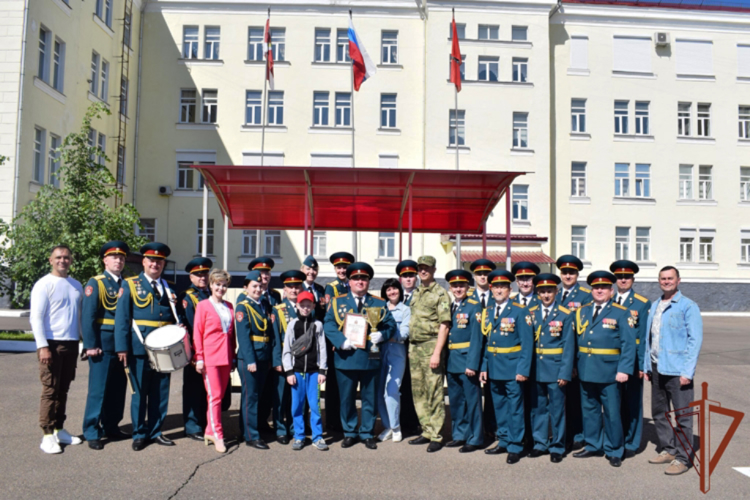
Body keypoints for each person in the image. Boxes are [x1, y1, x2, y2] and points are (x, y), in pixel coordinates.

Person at [115, 242, 182, 451]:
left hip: (163, 351)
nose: (156, 264)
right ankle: (139, 433)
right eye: (152, 260)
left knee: (160, 393)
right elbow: (122, 319)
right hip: (139, 349)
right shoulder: (130, 284)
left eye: (160, 261)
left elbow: (170, 317)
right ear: (144, 262)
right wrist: (122, 348)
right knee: (139, 393)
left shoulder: (169, 287)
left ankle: (156, 431)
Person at [323, 262, 397, 450]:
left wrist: (382, 335)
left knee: (369, 398)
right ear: (349, 281)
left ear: (368, 281)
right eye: (356, 278)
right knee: (346, 398)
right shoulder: (337, 301)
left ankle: (366, 432)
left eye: (363, 278)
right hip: (346, 357)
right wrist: (341, 341)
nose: (360, 281)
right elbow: (329, 324)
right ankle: (349, 432)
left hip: (370, 357)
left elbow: (390, 325)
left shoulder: (379, 303)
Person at [572, 271, 636, 468]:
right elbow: (574, 342)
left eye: (604, 288)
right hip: (586, 369)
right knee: (589, 410)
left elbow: (628, 344)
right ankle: (593, 445)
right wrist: (574, 366)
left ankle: (614, 449)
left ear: (611, 290)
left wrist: (624, 369)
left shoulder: (621, 312)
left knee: (611, 412)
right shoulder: (582, 311)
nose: (599, 290)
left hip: (610, 371)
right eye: (596, 287)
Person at [643, 266, 702, 476]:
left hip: (678, 371)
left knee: (682, 416)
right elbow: (649, 340)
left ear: (678, 281)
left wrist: (688, 372)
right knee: (660, 413)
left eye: (670, 278)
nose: (666, 281)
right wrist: (647, 366)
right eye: (663, 278)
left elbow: (695, 340)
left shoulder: (688, 306)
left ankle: (683, 457)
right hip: (657, 367)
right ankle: (668, 449)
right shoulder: (656, 305)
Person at [31, 244, 84, 454]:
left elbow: (78, 318)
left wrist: (82, 342)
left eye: (66, 257)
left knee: (64, 389)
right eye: (58, 257)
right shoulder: (44, 284)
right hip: (51, 344)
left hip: (70, 343)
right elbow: (36, 317)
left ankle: (59, 429)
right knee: (50, 390)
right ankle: (46, 434)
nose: (63, 260)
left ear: (71, 260)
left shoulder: (76, 285)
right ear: (50, 260)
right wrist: (42, 346)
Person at [480, 269, 532, 464]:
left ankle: (515, 445)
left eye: (503, 287)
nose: (499, 290)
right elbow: (487, 341)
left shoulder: (520, 311)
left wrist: (523, 370)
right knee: (499, 406)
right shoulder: (488, 311)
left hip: (512, 368)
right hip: (494, 367)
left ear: (510, 289)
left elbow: (527, 344)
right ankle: (502, 440)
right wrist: (484, 366)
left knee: (515, 408)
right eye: (496, 287)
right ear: (491, 289)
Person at [81, 241, 130, 450]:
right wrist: (90, 344)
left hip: (123, 345)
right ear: (105, 260)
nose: (118, 261)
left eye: (121, 258)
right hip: (102, 344)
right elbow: (88, 316)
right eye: (114, 257)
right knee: (98, 390)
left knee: (118, 389)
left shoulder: (127, 284)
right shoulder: (97, 283)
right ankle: (92, 431)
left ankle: (111, 426)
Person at [527, 273, 574, 463]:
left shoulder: (565, 314)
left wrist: (565, 372)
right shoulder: (529, 312)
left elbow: (569, 346)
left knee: (557, 409)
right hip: (535, 368)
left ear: (556, 291)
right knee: (537, 408)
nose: (546, 295)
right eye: (542, 291)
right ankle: (540, 443)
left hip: (555, 369)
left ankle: (557, 446)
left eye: (550, 291)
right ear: (537, 293)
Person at [408, 255, 451, 453]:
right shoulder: (416, 293)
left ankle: (437, 434)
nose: (423, 271)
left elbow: (444, 325)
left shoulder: (440, 293)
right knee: (419, 391)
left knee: (434, 391)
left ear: (434, 270)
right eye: (420, 268)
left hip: (430, 346)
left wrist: (436, 353)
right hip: (414, 347)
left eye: (427, 268)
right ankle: (426, 430)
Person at [609, 260, 651, 459]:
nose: (623, 280)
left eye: (626, 277)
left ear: (633, 279)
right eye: (619, 277)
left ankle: (631, 442)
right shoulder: (609, 300)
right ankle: (615, 438)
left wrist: (642, 364)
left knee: (632, 402)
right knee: (614, 402)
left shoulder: (641, 303)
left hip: (633, 360)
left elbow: (643, 337)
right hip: (610, 360)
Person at [193, 269, 236, 453]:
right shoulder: (203, 305)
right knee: (215, 396)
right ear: (211, 285)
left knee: (218, 396)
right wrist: (199, 358)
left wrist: (233, 355)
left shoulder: (229, 306)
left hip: (226, 357)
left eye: (224, 285)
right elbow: (198, 333)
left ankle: (210, 431)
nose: (221, 288)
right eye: (218, 284)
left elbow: (231, 334)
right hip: (210, 358)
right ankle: (218, 434)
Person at [235, 271, 277, 450]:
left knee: (259, 395)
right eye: (254, 286)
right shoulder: (243, 307)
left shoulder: (264, 304)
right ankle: (251, 436)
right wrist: (250, 360)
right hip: (249, 358)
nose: (258, 289)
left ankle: (252, 427)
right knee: (250, 397)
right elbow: (244, 336)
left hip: (263, 357)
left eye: (260, 286)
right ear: (246, 288)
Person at [444, 270, 485, 453]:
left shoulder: (474, 306)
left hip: (467, 361)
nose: (458, 289)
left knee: (473, 402)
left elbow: (477, 338)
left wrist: (472, 364)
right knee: (456, 401)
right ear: (450, 288)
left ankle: (475, 438)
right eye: (454, 286)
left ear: (468, 287)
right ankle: (459, 435)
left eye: (461, 285)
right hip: (452, 361)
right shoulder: (450, 305)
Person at [282, 291, 329, 451]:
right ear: (297, 306)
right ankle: (299, 436)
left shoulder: (318, 325)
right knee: (297, 406)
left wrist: (322, 370)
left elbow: (322, 348)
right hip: (296, 373)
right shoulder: (292, 324)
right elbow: (287, 349)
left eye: (309, 305)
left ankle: (317, 436)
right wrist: (288, 371)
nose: (305, 308)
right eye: (302, 305)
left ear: (313, 306)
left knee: (315, 405)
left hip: (314, 373)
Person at [555, 254, 592, 451]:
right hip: (556, 355)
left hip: (574, 355)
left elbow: (584, 330)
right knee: (560, 398)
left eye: (572, 273)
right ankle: (564, 433)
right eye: (565, 272)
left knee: (576, 399)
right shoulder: (555, 293)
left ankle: (578, 434)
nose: (568, 276)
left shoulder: (585, 296)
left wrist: (575, 363)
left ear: (577, 274)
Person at [179, 257, 212, 442]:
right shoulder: (188, 297)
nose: (202, 277)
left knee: (207, 390)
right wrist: (192, 353)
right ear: (191, 277)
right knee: (193, 389)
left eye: (205, 274)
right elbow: (191, 326)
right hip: (195, 351)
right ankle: (192, 426)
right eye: (198, 275)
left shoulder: (212, 294)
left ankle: (205, 423)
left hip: (212, 351)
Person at [270, 270, 306, 444]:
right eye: (290, 287)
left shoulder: (306, 308)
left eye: (297, 286)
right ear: (284, 289)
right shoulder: (278, 310)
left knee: (297, 397)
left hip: (301, 361)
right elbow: (276, 338)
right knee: (280, 397)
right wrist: (277, 361)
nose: (294, 290)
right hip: (284, 361)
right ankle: (280, 429)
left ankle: (295, 428)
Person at [377, 278, 411, 443]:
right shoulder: (379, 308)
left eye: (395, 289)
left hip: (397, 354)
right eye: (388, 290)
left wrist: (384, 336)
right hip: (378, 354)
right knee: (379, 393)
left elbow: (404, 334)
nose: (392, 292)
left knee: (391, 390)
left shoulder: (405, 310)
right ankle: (388, 426)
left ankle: (396, 427)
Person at [323, 251, 354, 432]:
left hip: (354, 339)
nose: (342, 270)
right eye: (339, 267)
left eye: (345, 267)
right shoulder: (332, 288)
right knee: (334, 384)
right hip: (338, 342)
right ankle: (334, 422)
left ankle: (346, 420)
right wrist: (337, 339)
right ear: (335, 269)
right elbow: (331, 315)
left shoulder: (353, 285)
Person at [469, 258, 496, 440]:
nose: (483, 277)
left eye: (486, 274)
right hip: (470, 352)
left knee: (493, 393)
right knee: (472, 394)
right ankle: (475, 431)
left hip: (493, 352)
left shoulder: (499, 297)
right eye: (479, 274)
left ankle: (492, 428)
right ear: (474, 276)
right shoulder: (466, 298)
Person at [395, 259, 420, 436]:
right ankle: (399, 422)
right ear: (400, 278)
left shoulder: (421, 295)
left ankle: (413, 423)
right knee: (399, 385)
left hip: (416, 348)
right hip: (396, 348)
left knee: (414, 386)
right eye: (405, 276)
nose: (408, 279)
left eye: (411, 276)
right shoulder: (394, 296)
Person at [301, 255, 326, 321]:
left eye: (314, 269)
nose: (311, 272)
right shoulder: (298, 288)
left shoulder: (320, 289)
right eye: (308, 269)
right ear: (302, 270)